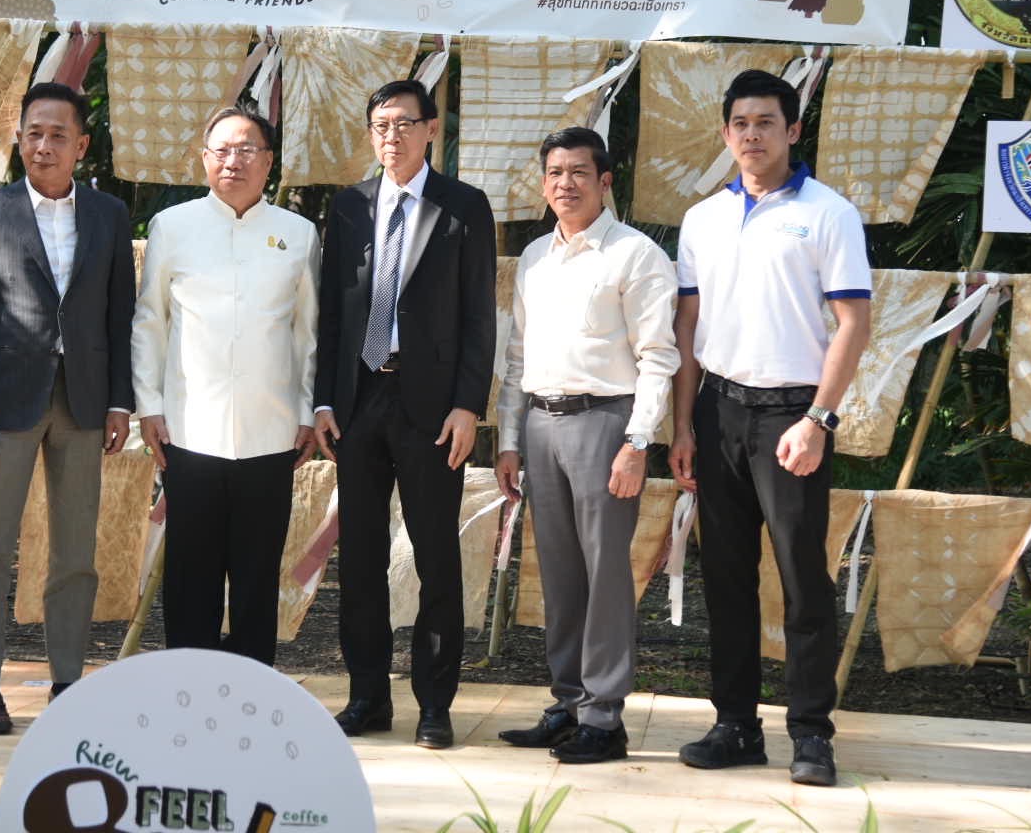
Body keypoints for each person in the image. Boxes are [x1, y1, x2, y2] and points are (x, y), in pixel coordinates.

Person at [668, 69, 872, 787]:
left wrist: (819, 418)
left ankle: (812, 735)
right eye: (740, 123)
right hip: (718, 410)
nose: (751, 135)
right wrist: (682, 425)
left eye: (765, 122)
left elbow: (854, 322)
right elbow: (687, 326)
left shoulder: (828, 213)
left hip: (793, 415)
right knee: (725, 578)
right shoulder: (702, 219)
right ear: (725, 134)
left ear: (792, 130)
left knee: (801, 578)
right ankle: (736, 725)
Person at [0, 81, 136, 735]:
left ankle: (67, 685)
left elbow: (119, 314)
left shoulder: (110, 215)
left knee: (75, 554)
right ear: (18, 140)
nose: (44, 146)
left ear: (81, 145)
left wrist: (120, 401)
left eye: (58, 135)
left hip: (84, 402)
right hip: (2, 404)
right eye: (33, 134)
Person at [313, 79, 497, 750]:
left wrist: (468, 406)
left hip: (433, 408)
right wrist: (324, 399)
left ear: (431, 129)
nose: (392, 136)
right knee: (359, 558)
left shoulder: (463, 207)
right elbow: (332, 312)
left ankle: (434, 704)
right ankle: (367, 696)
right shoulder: (349, 206)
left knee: (436, 557)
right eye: (381, 125)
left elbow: (479, 316)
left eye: (404, 123)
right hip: (359, 401)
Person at [492, 127, 678, 764]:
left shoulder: (635, 255)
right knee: (560, 573)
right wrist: (509, 439)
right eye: (554, 173)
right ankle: (568, 704)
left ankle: (605, 717)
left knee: (605, 574)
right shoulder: (535, 256)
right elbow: (517, 356)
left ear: (604, 182)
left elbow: (659, 356)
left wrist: (637, 441)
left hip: (606, 423)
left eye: (578, 172)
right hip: (541, 424)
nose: (564, 183)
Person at [132, 105, 319, 666]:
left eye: (246, 150)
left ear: (268, 160)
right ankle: (187, 686)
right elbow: (150, 321)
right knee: (191, 574)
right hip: (189, 430)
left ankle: (251, 687)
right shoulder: (172, 227)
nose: (233, 161)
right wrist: (149, 407)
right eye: (222, 150)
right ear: (204, 158)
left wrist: (305, 412)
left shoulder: (298, 234)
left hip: (271, 430)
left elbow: (308, 332)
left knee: (257, 576)